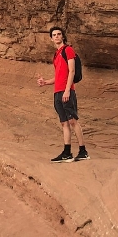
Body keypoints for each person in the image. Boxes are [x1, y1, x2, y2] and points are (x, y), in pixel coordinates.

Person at [37, 26, 89, 163]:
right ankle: (67, 153)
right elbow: (58, 76)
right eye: (54, 35)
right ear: (51, 38)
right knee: (64, 123)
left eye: (59, 34)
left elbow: (71, 71)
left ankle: (83, 151)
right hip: (57, 92)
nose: (56, 36)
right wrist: (45, 82)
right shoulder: (56, 54)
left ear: (63, 36)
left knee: (72, 121)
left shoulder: (68, 50)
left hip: (67, 91)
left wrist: (67, 90)